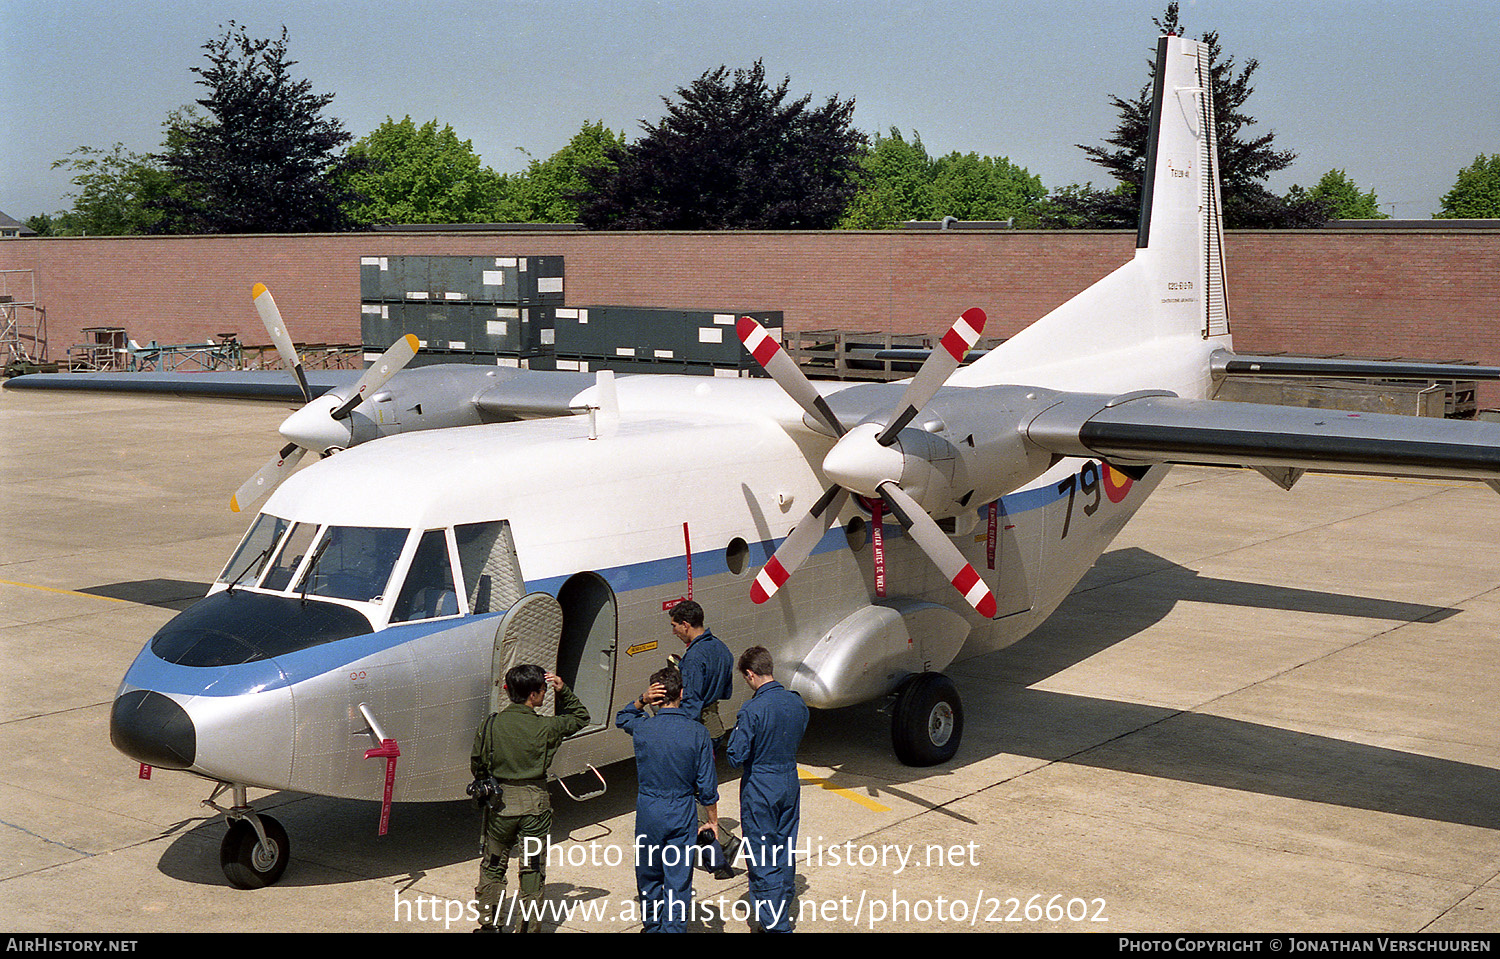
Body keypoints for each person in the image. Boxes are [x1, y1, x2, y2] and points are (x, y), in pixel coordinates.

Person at [470, 664, 590, 933]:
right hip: (535, 808)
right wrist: (564, 692)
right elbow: (581, 717)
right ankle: (528, 926)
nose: (545, 694)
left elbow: (477, 765)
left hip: (501, 806)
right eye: (544, 691)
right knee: (533, 867)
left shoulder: (490, 725)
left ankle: (490, 924)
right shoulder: (548, 726)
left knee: (493, 864)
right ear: (534, 695)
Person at [616, 666, 720, 933]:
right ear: (682, 694)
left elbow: (622, 717)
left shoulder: (643, 728)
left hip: (649, 809)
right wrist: (712, 821)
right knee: (677, 878)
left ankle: (652, 927)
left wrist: (641, 699)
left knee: (649, 874)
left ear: (656, 697)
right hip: (681, 809)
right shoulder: (697, 732)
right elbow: (707, 786)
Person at [725, 646, 808, 933]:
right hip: (788, 779)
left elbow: (735, 756)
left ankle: (776, 925)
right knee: (784, 849)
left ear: (750, 674)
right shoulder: (796, 703)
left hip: (760, 785)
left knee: (762, 858)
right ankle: (781, 905)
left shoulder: (752, 709)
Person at [668, 600, 738, 876]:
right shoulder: (721, 647)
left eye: (674, 626)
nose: (673, 631)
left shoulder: (695, 657)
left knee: (688, 792)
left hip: (698, 728)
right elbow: (726, 690)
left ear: (685, 624)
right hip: (715, 724)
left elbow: (692, 703)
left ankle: (724, 843)